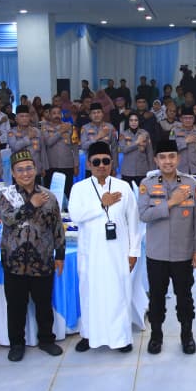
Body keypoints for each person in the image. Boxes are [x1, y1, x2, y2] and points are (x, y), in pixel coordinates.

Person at [68, 141, 143, 352]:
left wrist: (133, 252)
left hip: (118, 253)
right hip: (91, 254)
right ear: (89, 164)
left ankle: (121, 338)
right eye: (96, 162)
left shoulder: (123, 187)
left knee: (118, 295)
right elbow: (75, 215)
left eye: (106, 161)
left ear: (112, 163)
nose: (101, 165)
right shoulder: (79, 188)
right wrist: (102, 204)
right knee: (90, 295)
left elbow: (134, 223)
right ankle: (89, 335)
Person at [137, 139, 196, 355]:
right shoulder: (147, 184)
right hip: (157, 253)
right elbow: (143, 215)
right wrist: (171, 202)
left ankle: (187, 335)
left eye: (172, 156)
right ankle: (156, 336)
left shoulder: (191, 184)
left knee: (184, 297)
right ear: (156, 160)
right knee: (157, 297)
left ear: (178, 158)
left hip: (183, 252)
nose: (167, 161)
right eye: (163, 157)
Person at [0, 149, 65, 361]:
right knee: (16, 307)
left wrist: (60, 254)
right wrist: (31, 205)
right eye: (20, 170)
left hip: (42, 260)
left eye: (29, 168)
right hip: (14, 262)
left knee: (43, 305)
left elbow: (57, 227)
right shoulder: (6, 194)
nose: (25, 173)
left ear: (35, 170)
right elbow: (8, 219)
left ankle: (46, 340)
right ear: (13, 173)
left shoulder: (49, 196)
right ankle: (16, 344)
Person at [42, 105, 77, 196]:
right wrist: (61, 131)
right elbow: (49, 142)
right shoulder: (45, 128)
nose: (56, 115)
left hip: (67, 165)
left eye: (58, 113)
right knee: (51, 194)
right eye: (54, 113)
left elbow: (75, 147)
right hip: (51, 166)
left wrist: (76, 165)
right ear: (49, 115)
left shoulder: (70, 126)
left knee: (68, 192)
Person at [7, 105, 46, 182]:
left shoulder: (36, 131)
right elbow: (15, 147)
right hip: (19, 172)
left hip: (35, 169)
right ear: (16, 119)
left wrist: (44, 167)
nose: (24, 118)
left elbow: (42, 151)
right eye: (22, 116)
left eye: (27, 116)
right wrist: (28, 137)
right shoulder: (12, 132)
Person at [119, 112, 154, 187]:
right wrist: (137, 142)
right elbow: (123, 150)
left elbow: (149, 153)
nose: (133, 122)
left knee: (143, 192)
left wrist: (152, 170)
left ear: (139, 121)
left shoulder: (145, 134)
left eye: (136, 120)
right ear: (128, 122)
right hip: (127, 171)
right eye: (131, 120)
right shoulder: (123, 134)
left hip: (142, 170)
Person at [172, 109, 196, 176]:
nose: (188, 120)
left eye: (190, 118)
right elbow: (171, 149)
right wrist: (185, 142)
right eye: (185, 118)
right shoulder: (174, 131)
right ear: (181, 119)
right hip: (180, 170)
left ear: (194, 119)